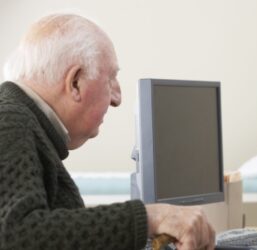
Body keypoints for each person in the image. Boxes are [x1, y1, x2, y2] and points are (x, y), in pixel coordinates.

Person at [0, 13, 215, 250]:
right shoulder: (9, 119)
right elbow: (16, 236)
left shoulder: (21, 120)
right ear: (75, 83)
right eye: (110, 79)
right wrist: (153, 218)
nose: (117, 98)